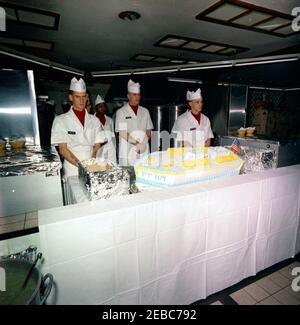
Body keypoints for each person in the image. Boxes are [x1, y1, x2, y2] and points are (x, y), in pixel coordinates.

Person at [51, 77, 104, 178]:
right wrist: (81, 166)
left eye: (84, 97)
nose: (81, 100)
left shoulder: (94, 120)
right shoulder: (60, 120)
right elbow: (63, 150)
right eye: (77, 97)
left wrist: (92, 161)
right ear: (71, 97)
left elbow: (97, 144)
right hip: (72, 169)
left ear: (87, 97)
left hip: (91, 167)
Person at [115, 80, 153, 166]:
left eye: (139, 95)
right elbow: (122, 132)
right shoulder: (121, 112)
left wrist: (143, 143)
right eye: (134, 95)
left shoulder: (145, 111)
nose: (137, 97)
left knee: (143, 173)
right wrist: (136, 144)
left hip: (143, 149)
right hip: (127, 149)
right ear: (128, 96)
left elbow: (149, 130)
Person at [94, 95, 116, 163]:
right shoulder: (92, 120)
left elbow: (113, 137)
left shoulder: (110, 120)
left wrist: (114, 150)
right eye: (100, 106)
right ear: (96, 108)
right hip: (98, 151)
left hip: (110, 151)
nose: (102, 108)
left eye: (104, 106)